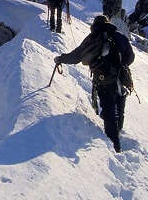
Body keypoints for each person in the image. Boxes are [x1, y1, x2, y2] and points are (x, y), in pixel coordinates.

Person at [54, 15, 135, 152]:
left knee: (108, 111)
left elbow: (76, 56)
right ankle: (118, 130)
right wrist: (120, 65)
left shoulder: (93, 38)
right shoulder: (119, 36)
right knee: (119, 105)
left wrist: (60, 59)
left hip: (103, 80)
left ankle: (114, 145)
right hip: (121, 78)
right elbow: (131, 57)